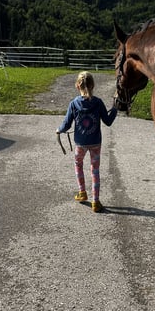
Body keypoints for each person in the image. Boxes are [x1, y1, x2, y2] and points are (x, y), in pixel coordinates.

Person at [56, 71, 118, 212]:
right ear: (93, 86)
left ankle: (82, 192)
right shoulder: (98, 103)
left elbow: (66, 124)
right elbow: (107, 122)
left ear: (78, 86)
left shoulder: (73, 104)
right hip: (95, 142)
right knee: (95, 170)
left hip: (80, 143)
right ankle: (96, 202)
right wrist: (115, 109)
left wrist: (59, 130)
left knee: (78, 164)